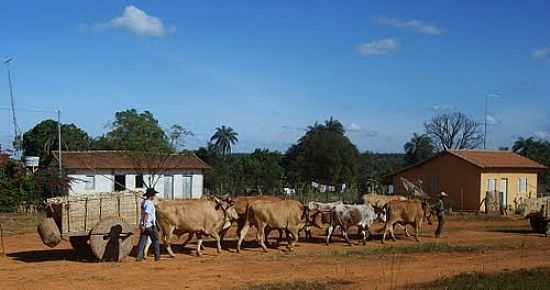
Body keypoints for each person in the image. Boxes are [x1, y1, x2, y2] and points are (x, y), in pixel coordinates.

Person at [136, 188, 161, 261]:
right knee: (156, 240)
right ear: (151, 196)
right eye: (154, 195)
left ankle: (139, 257)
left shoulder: (144, 202)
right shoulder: (149, 203)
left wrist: (142, 225)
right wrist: (144, 224)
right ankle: (157, 257)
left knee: (142, 241)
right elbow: (146, 214)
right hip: (149, 225)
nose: (155, 196)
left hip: (144, 225)